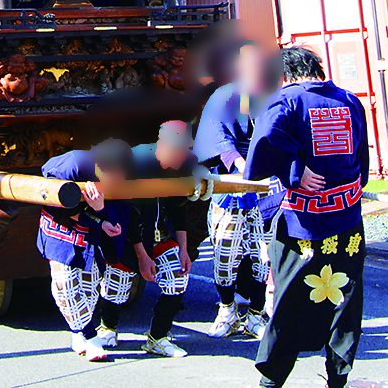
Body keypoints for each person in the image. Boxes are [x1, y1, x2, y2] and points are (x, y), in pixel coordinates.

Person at [244, 46, 369, 388]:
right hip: (346, 218)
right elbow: (362, 160)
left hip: (303, 221)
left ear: (284, 75)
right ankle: (337, 377)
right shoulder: (350, 100)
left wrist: (294, 167)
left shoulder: (287, 100)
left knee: (289, 299)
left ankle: (272, 381)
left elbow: (266, 138)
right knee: (344, 298)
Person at [98, 120, 214, 358]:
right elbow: (130, 214)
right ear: (163, 145)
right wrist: (142, 255)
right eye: (178, 149)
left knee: (177, 277)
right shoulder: (138, 164)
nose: (183, 155)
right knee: (117, 286)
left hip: (162, 232)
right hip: (129, 233)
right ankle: (107, 327)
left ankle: (158, 337)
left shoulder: (186, 164)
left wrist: (183, 248)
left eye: (187, 149)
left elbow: (180, 207)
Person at [194, 45, 270, 341]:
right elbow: (217, 138)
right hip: (230, 185)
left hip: (265, 187)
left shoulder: (269, 96)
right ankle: (226, 310)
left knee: (260, 256)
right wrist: (240, 165)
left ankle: (255, 315)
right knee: (226, 253)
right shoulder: (224, 96)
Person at [37, 139, 135, 362]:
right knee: (66, 287)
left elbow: (115, 211)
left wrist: (102, 217)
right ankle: (91, 338)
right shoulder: (74, 164)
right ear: (101, 166)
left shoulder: (124, 179)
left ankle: (77, 335)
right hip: (60, 229)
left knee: (89, 290)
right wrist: (82, 202)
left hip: (90, 232)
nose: (118, 180)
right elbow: (48, 186)